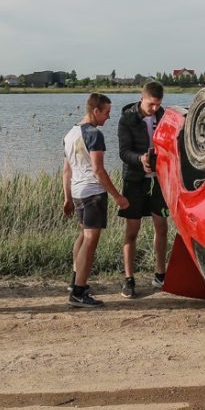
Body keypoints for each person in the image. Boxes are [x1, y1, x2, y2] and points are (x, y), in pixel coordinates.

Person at [62, 93, 129, 308]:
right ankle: (79, 292)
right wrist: (117, 196)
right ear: (96, 111)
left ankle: (75, 282)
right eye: (107, 112)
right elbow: (98, 170)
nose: (108, 117)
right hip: (92, 193)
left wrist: (67, 197)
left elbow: (66, 170)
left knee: (83, 237)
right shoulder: (93, 134)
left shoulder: (70, 133)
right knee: (90, 242)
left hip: (77, 192)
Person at [117, 80, 169, 298]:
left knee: (162, 227)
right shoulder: (127, 118)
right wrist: (140, 159)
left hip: (159, 180)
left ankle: (160, 274)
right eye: (151, 105)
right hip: (134, 180)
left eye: (158, 105)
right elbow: (123, 152)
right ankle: (129, 279)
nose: (154, 109)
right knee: (132, 231)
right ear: (142, 97)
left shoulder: (163, 115)